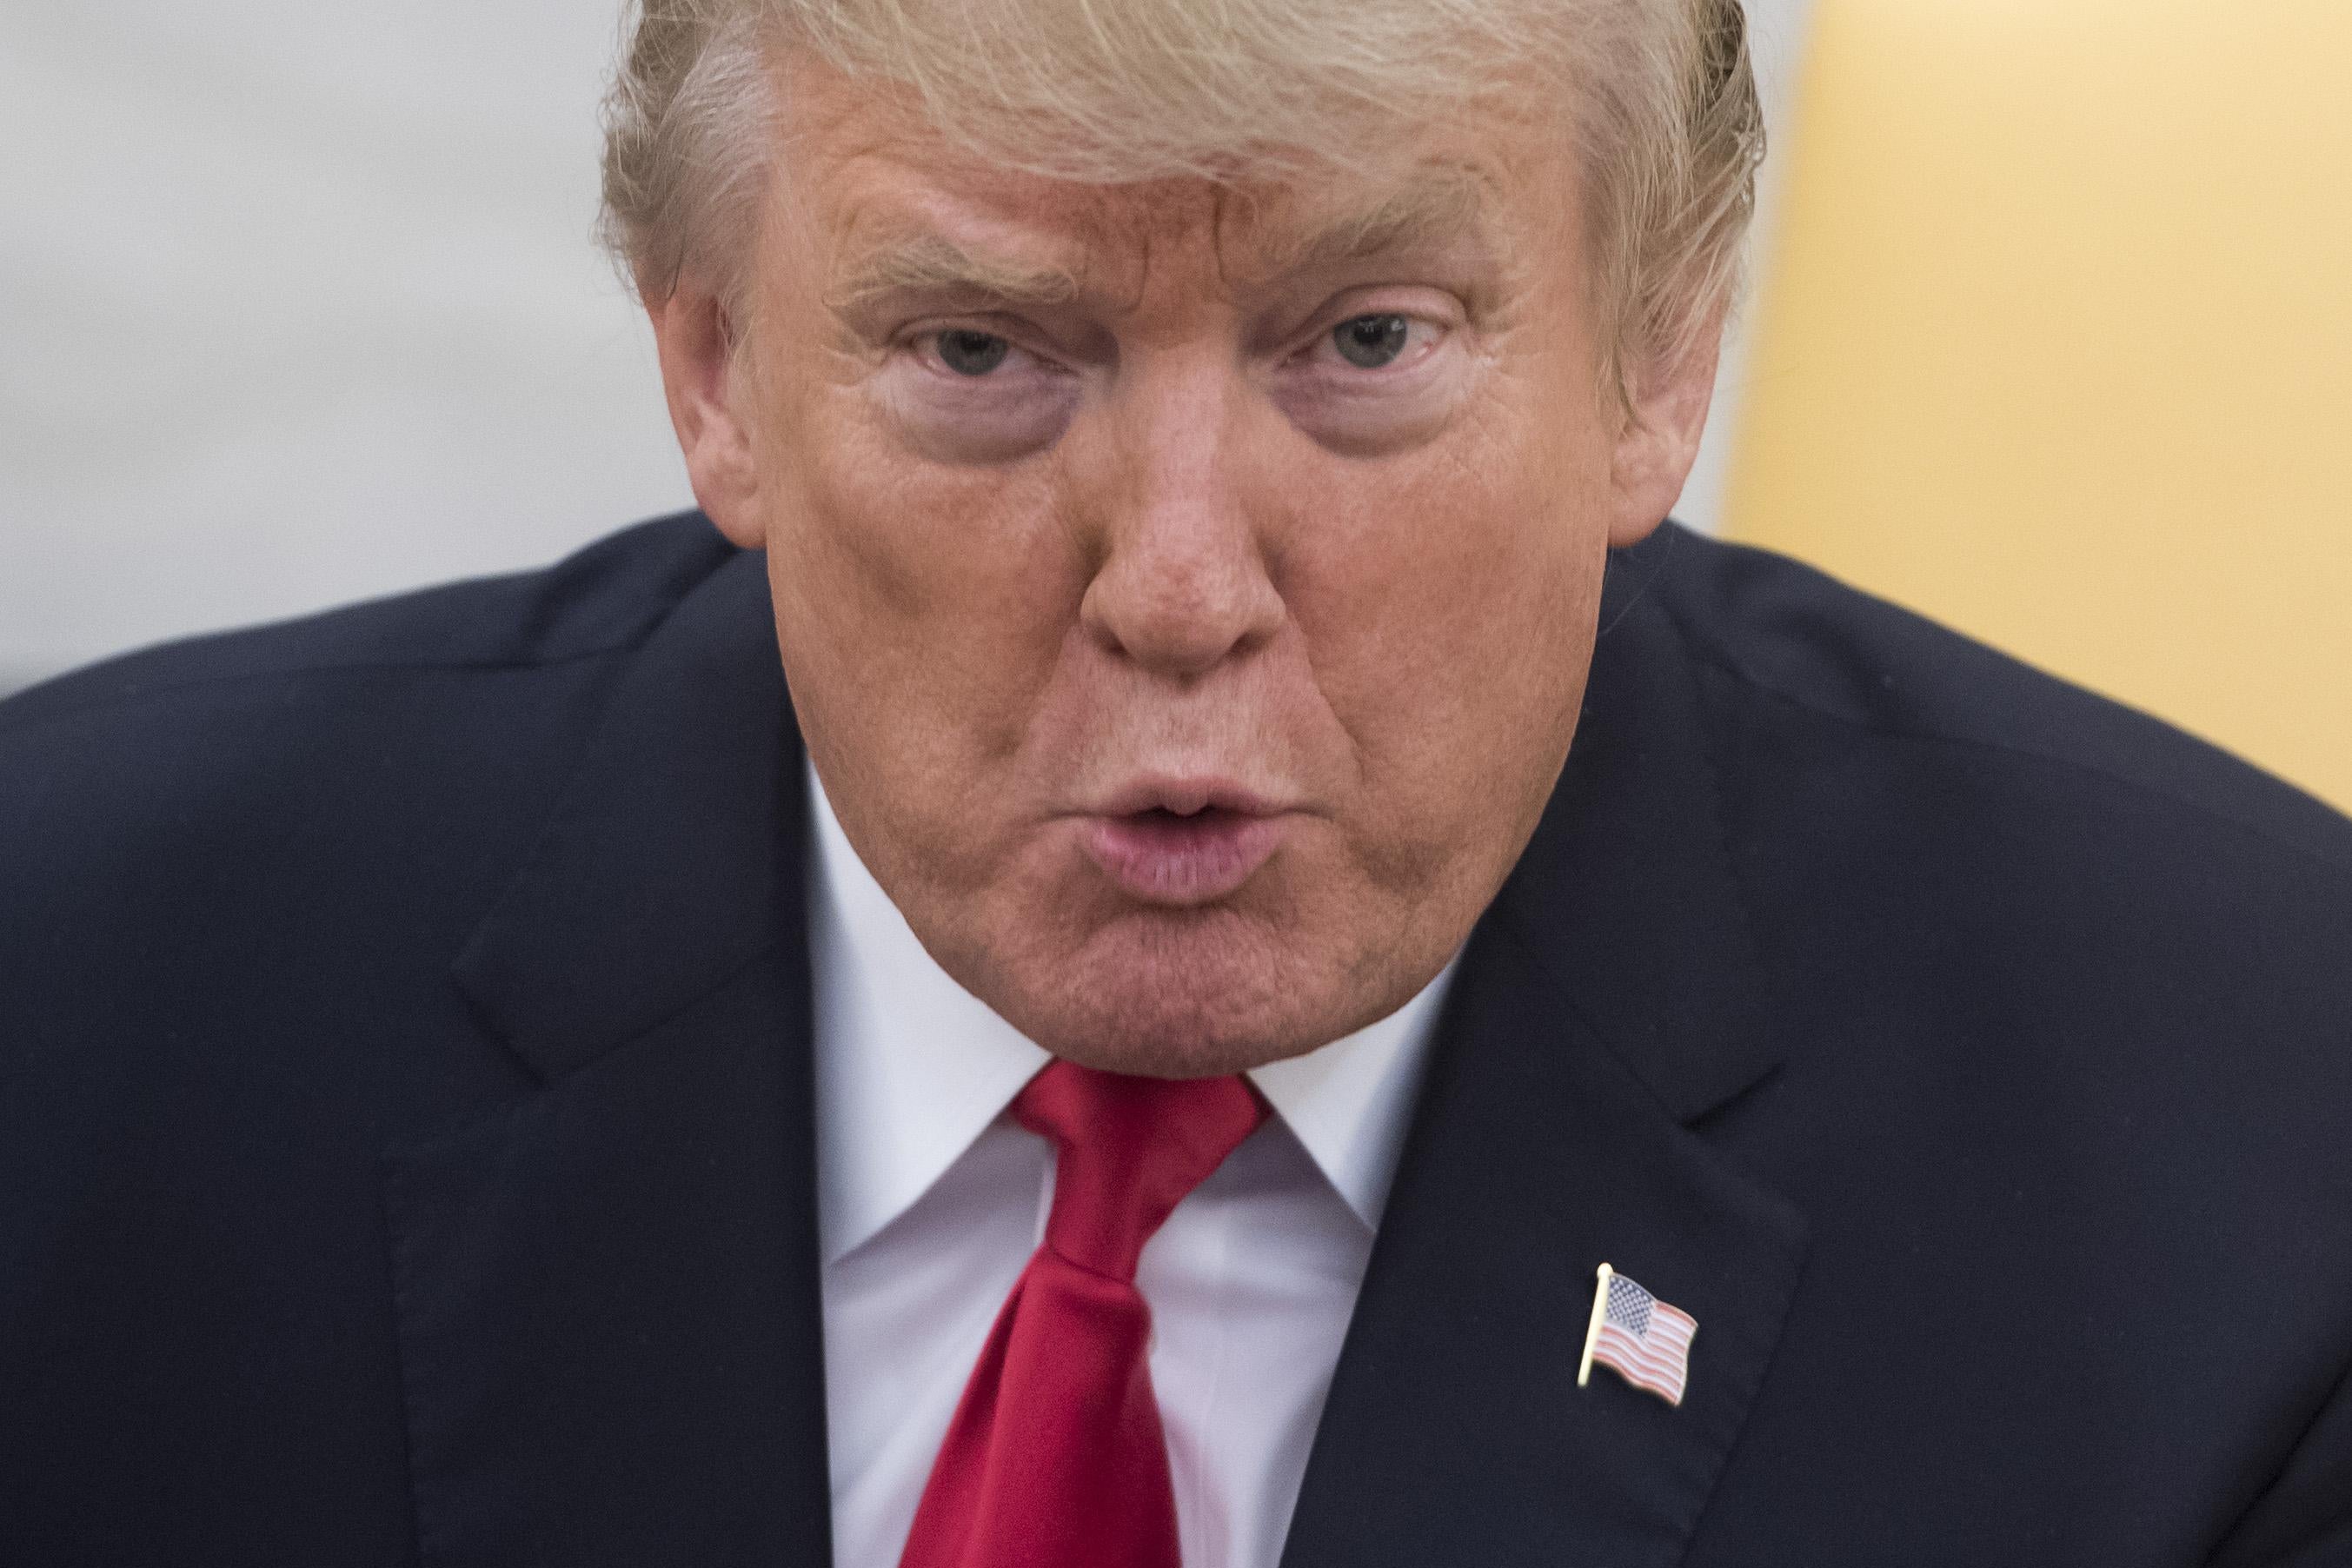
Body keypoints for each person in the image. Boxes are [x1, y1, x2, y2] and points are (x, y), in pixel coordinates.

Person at [3, 0, 2349, 1562]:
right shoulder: (77, 1003)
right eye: (980, 349)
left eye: (1363, 342)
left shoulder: (2260, 1171)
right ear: (708, 365)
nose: (1179, 582)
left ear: (1658, 353)